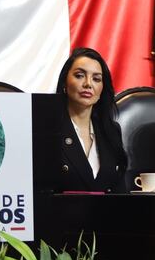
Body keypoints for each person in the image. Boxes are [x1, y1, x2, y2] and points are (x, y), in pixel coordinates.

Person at [45, 47, 127, 193]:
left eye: (96, 79)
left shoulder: (111, 130)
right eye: (79, 75)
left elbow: (120, 191)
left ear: (102, 88)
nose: (88, 84)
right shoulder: (47, 129)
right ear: (64, 83)